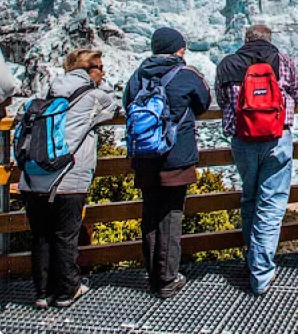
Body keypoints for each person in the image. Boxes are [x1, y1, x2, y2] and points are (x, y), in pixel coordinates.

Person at [18, 49, 120, 308]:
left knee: (41, 236)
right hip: (68, 177)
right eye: (99, 66)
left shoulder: (48, 94)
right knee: (65, 235)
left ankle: (42, 293)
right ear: (87, 70)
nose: (103, 72)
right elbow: (119, 109)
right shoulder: (94, 96)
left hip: (33, 177)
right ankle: (67, 291)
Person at [215, 23, 298, 294]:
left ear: (245, 40)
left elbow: (222, 101)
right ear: (270, 39)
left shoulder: (227, 64)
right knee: (272, 203)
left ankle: (251, 258)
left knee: (250, 197)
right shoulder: (284, 62)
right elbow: (296, 95)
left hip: (242, 141)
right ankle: (261, 273)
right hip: (277, 138)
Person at [124, 27, 211, 298]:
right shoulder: (186, 75)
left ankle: (153, 275)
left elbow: (127, 103)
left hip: (145, 156)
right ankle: (168, 279)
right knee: (171, 216)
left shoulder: (137, 76)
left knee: (150, 214)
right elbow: (204, 103)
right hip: (176, 157)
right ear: (176, 48)